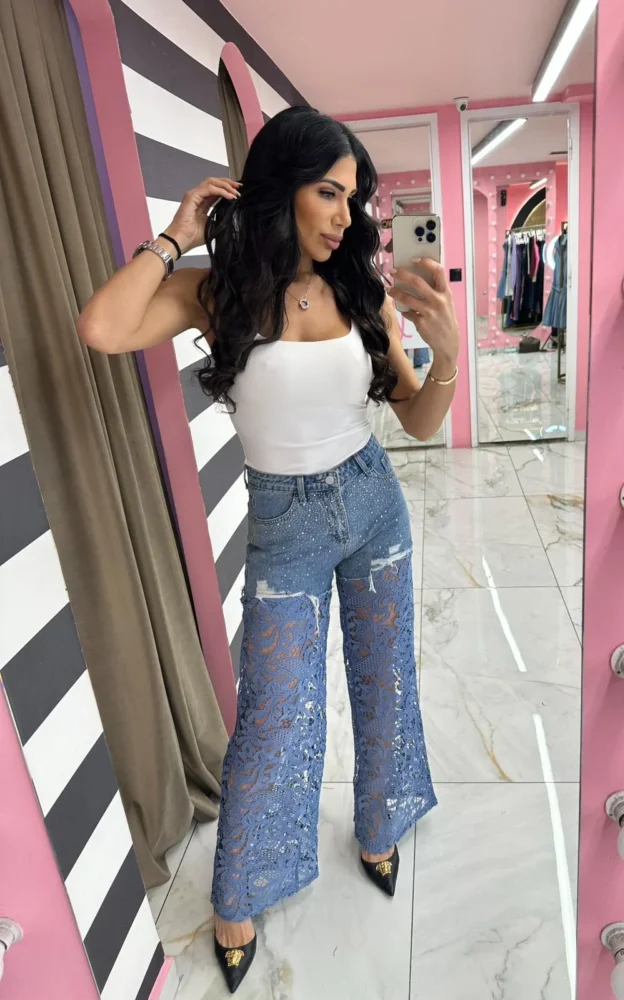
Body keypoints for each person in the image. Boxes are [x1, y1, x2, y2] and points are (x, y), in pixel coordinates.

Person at [77, 106, 459, 993]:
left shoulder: (359, 291)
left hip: (373, 503)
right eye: (329, 192)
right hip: (285, 523)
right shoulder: (218, 291)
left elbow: (420, 420)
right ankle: (243, 887)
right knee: (276, 716)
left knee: (385, 677)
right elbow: (101, 327)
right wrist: (174, 237)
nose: (343, 216)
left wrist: (444, 357)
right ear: (281, 186)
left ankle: (381, 822)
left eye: (352, 199)